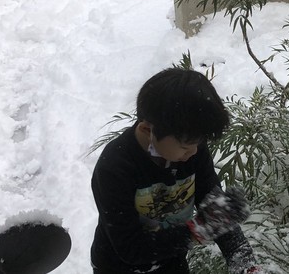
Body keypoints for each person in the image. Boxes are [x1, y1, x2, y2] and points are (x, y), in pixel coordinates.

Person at [90, 68, 259, 274]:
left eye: (199, 144)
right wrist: (197, 230)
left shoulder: (192, 149)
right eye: (186, 146)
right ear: (147, 130)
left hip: (171, 260)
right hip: (118, 267)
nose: (194, 152)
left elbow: (213, 204)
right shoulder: (115, 167)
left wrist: (243, 260)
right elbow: (130, 247)